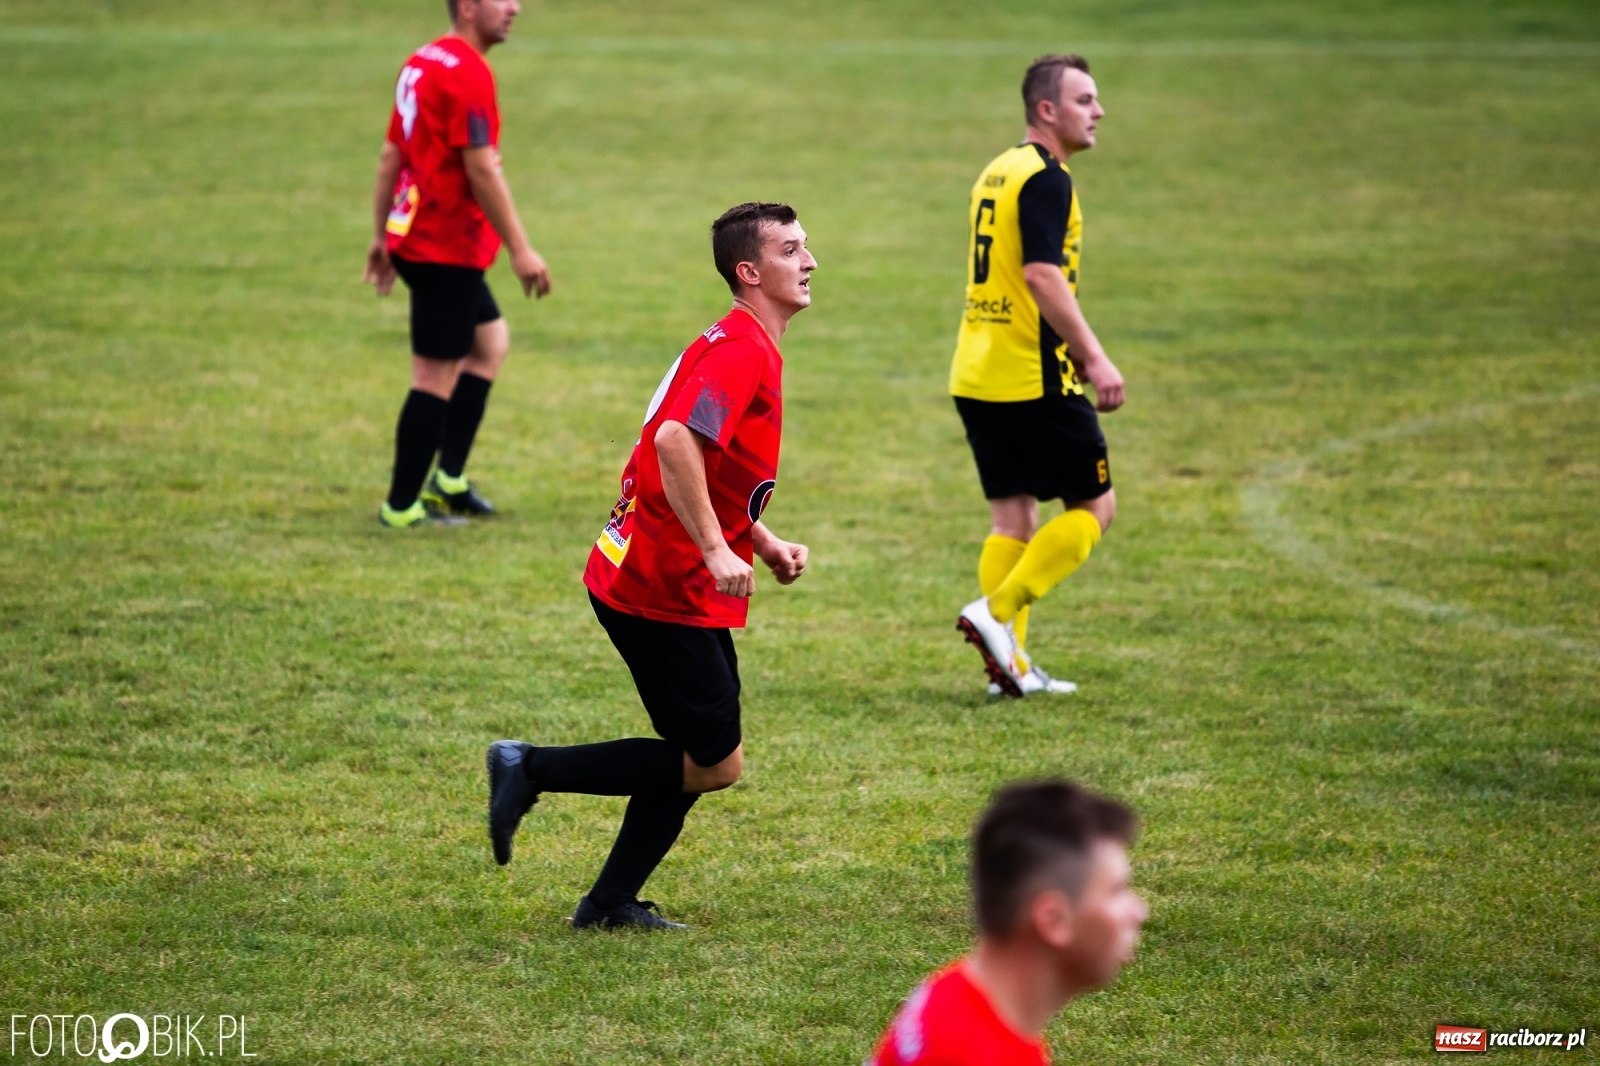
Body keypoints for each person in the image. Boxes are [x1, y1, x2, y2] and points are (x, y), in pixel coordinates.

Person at [484, 203, 815, 930]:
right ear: (750, 271)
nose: (810, 261)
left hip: (656, 573)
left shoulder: (738, 338)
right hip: (663, 585)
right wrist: (715, 549)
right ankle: (527, 768)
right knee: (716, 762)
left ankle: (607, 905)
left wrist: (758, 539)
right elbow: (673, 442)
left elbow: (708, 462)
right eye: (791, 250)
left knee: (696, 753)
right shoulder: (742, 351)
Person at [950, 55, 1126, 696]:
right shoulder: (1049, 179)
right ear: (1046, 110)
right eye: (1085, 99)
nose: (1098, 110)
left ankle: (1010, 667)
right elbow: (1041, 275)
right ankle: (994, 615)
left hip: (977, 367)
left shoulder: (997, 169)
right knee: (1095, 507)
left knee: (1013, 521)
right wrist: (1094, 355)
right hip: (1034, 372)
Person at [362, 0, 552, 528]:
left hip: (419, 237)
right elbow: (481, 171)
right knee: (433, 377)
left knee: (489, 343)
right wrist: (520, 249)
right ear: (467, 6)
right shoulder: (468, 74)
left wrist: (381, 234)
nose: (515, 7)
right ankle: (401, 507)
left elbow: (389, 156)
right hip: (444, 248)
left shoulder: (422, 61)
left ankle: (448, 479)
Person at [869, 780, 1147, 1065]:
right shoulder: (978, 1054)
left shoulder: (955, 994)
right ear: (1053, 920)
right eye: (1117, 891)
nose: (1139, 912)